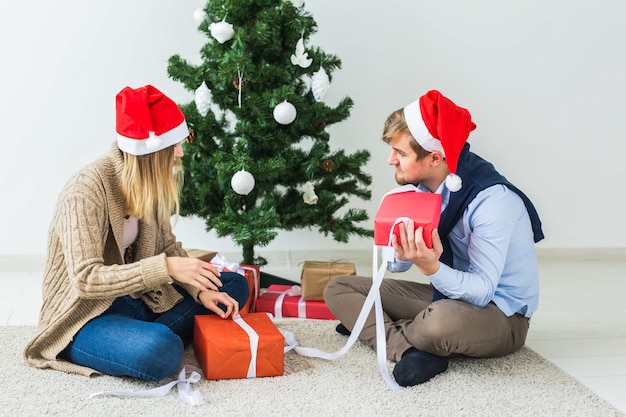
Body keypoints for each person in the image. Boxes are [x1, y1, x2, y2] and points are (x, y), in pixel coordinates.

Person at [24, 85, 249, 382]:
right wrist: (166, 268)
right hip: (88, 314)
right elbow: (86, 279)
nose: (180, 153)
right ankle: (145, 339)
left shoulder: (150, 183)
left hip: (139, 299)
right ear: (151, 151)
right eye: (174, 145)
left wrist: (199, 289)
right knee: (159, 352)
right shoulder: (85, 190)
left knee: (232, 285)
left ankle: (142, 337)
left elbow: (168, 246)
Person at [324, 89, 543, 387]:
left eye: (400, 153)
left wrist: (431, 268)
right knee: (338, 289)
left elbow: (481, 291)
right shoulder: (422, 187)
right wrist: (400, 251)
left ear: (435, 157)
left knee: (438, 321)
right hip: (446, 296)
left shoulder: (492, 201)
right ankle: (411, 349)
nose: (391, 160)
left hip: (501, 314)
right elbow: (397, 266)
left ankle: (378, 329)